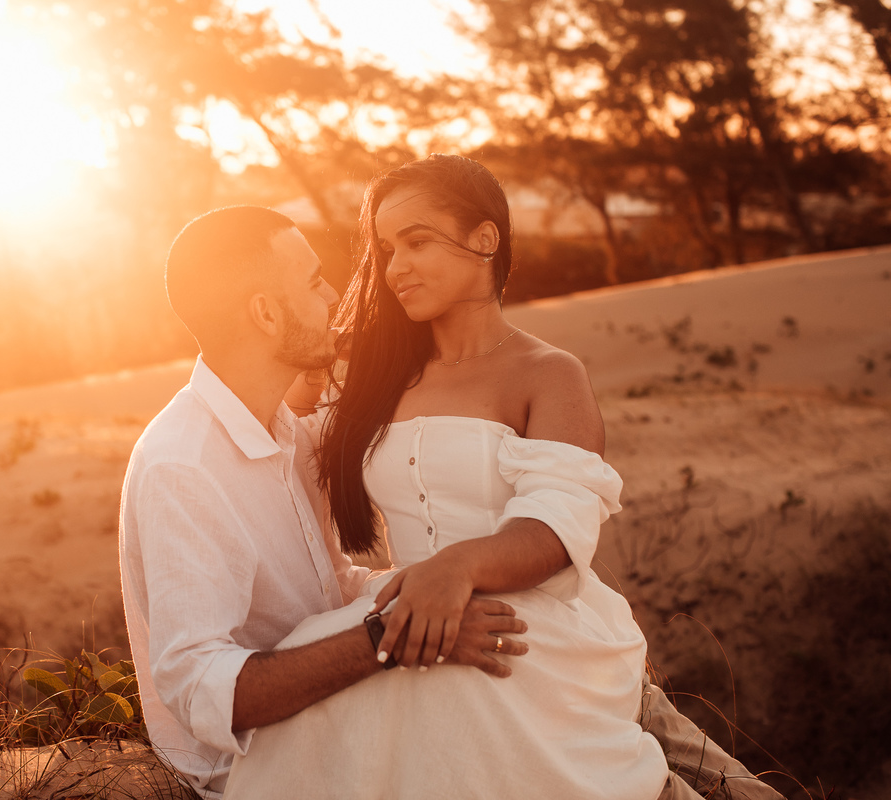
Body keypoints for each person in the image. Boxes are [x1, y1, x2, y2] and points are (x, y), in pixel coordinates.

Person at [222, 155, 785, 800]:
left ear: (486, 239)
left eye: (417, 241)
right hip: (439, 647)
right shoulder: (370, 379)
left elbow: (557, 525)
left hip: (549, 642)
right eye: (384, 249)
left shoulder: (549, 373)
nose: (394, 266)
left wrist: (453, 568)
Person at [118, 205, 530, 799]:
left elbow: (327, 586)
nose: (333, 293)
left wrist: (426, 589)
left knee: (530, 639)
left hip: (330, 701)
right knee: (513, 700)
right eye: (313, 282)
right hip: (260, 763)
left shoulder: (283, 428)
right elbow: (202, 690)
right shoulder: (183, 467)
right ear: (265, 313)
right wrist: (392, 637)